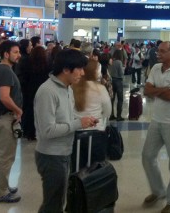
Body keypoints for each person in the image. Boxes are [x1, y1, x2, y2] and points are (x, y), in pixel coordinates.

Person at [34, 49, 97, 213]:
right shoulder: (47, 92)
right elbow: (47, 130)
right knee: (53, 204)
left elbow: (67, 116)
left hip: (63, 152)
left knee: (58, 201)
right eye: (80, 69)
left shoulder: (67, 88)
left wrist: (83, 120)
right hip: (51, 156)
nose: (82, 73)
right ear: (66, 69)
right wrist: (78, 124)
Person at [142, 41, 170, 213]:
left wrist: (157, 90)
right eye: (158, 51)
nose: (158, 54)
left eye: (162, 51)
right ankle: (158, 190)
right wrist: (162, 89)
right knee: (147, 156)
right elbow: (147, 90)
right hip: (156, 120)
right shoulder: (155, 68)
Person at [0, 40, 23, 203]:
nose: (19, 55)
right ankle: (0, 192)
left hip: (1, 117)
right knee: (5, 155)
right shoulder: (5, 71)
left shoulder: (2, 69)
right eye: (15, 52)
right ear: (6, 54)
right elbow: (4, 97)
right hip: (5, 117)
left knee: (1, 154)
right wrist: (18, 110)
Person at [72, 59, 112, 165]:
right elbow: (107, 111)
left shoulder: (72, 87)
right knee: (96, 168)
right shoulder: (100, 89)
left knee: (77, 166)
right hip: (96, 132)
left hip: (75, 132)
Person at [22, 46, 51, 141]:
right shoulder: (47, 64)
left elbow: (24, 78)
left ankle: (28, 132)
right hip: (43, 90)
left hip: (29, 90)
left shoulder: (27, 63)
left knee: (29, 111)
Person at [109, 49, 125, 121]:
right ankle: (119, 116)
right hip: (118, 81)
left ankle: (111, 115)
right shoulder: (119, 62)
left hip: (112, 80)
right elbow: (121, 73)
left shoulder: (111, 61)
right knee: (120, 99)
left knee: (112, 99)